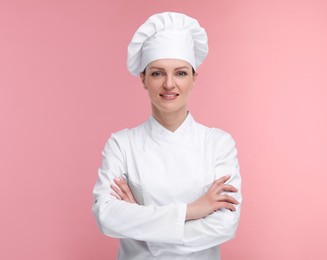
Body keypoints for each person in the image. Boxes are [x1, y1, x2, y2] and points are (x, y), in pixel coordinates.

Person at [92, 12, 242, 260]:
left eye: (181, 73)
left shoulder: (218, 143)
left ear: (194, 78)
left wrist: (142, 226)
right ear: (143, 79)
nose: (169, 84)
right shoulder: (122, 144)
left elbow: (225, 225)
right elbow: (106, 216)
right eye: (157, 73)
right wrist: (192, 210)